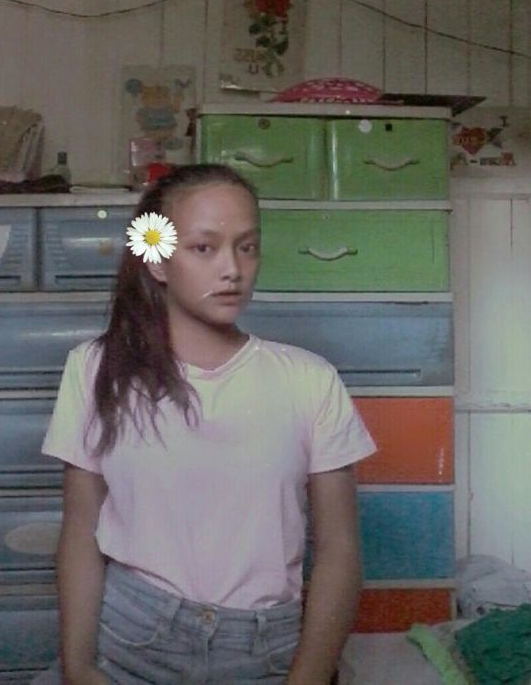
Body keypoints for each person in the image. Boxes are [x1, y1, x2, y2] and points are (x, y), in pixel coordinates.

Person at [41, 163, 376, 685]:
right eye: (204, 248)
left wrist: (308, 677)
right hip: (132, 637)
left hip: (268, 649)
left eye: (247, 247)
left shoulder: (311, 380)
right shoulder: (94, 369)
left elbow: (339, 551)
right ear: (157, 261)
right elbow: (81, 530)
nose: (233, 269)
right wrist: (79, 668)